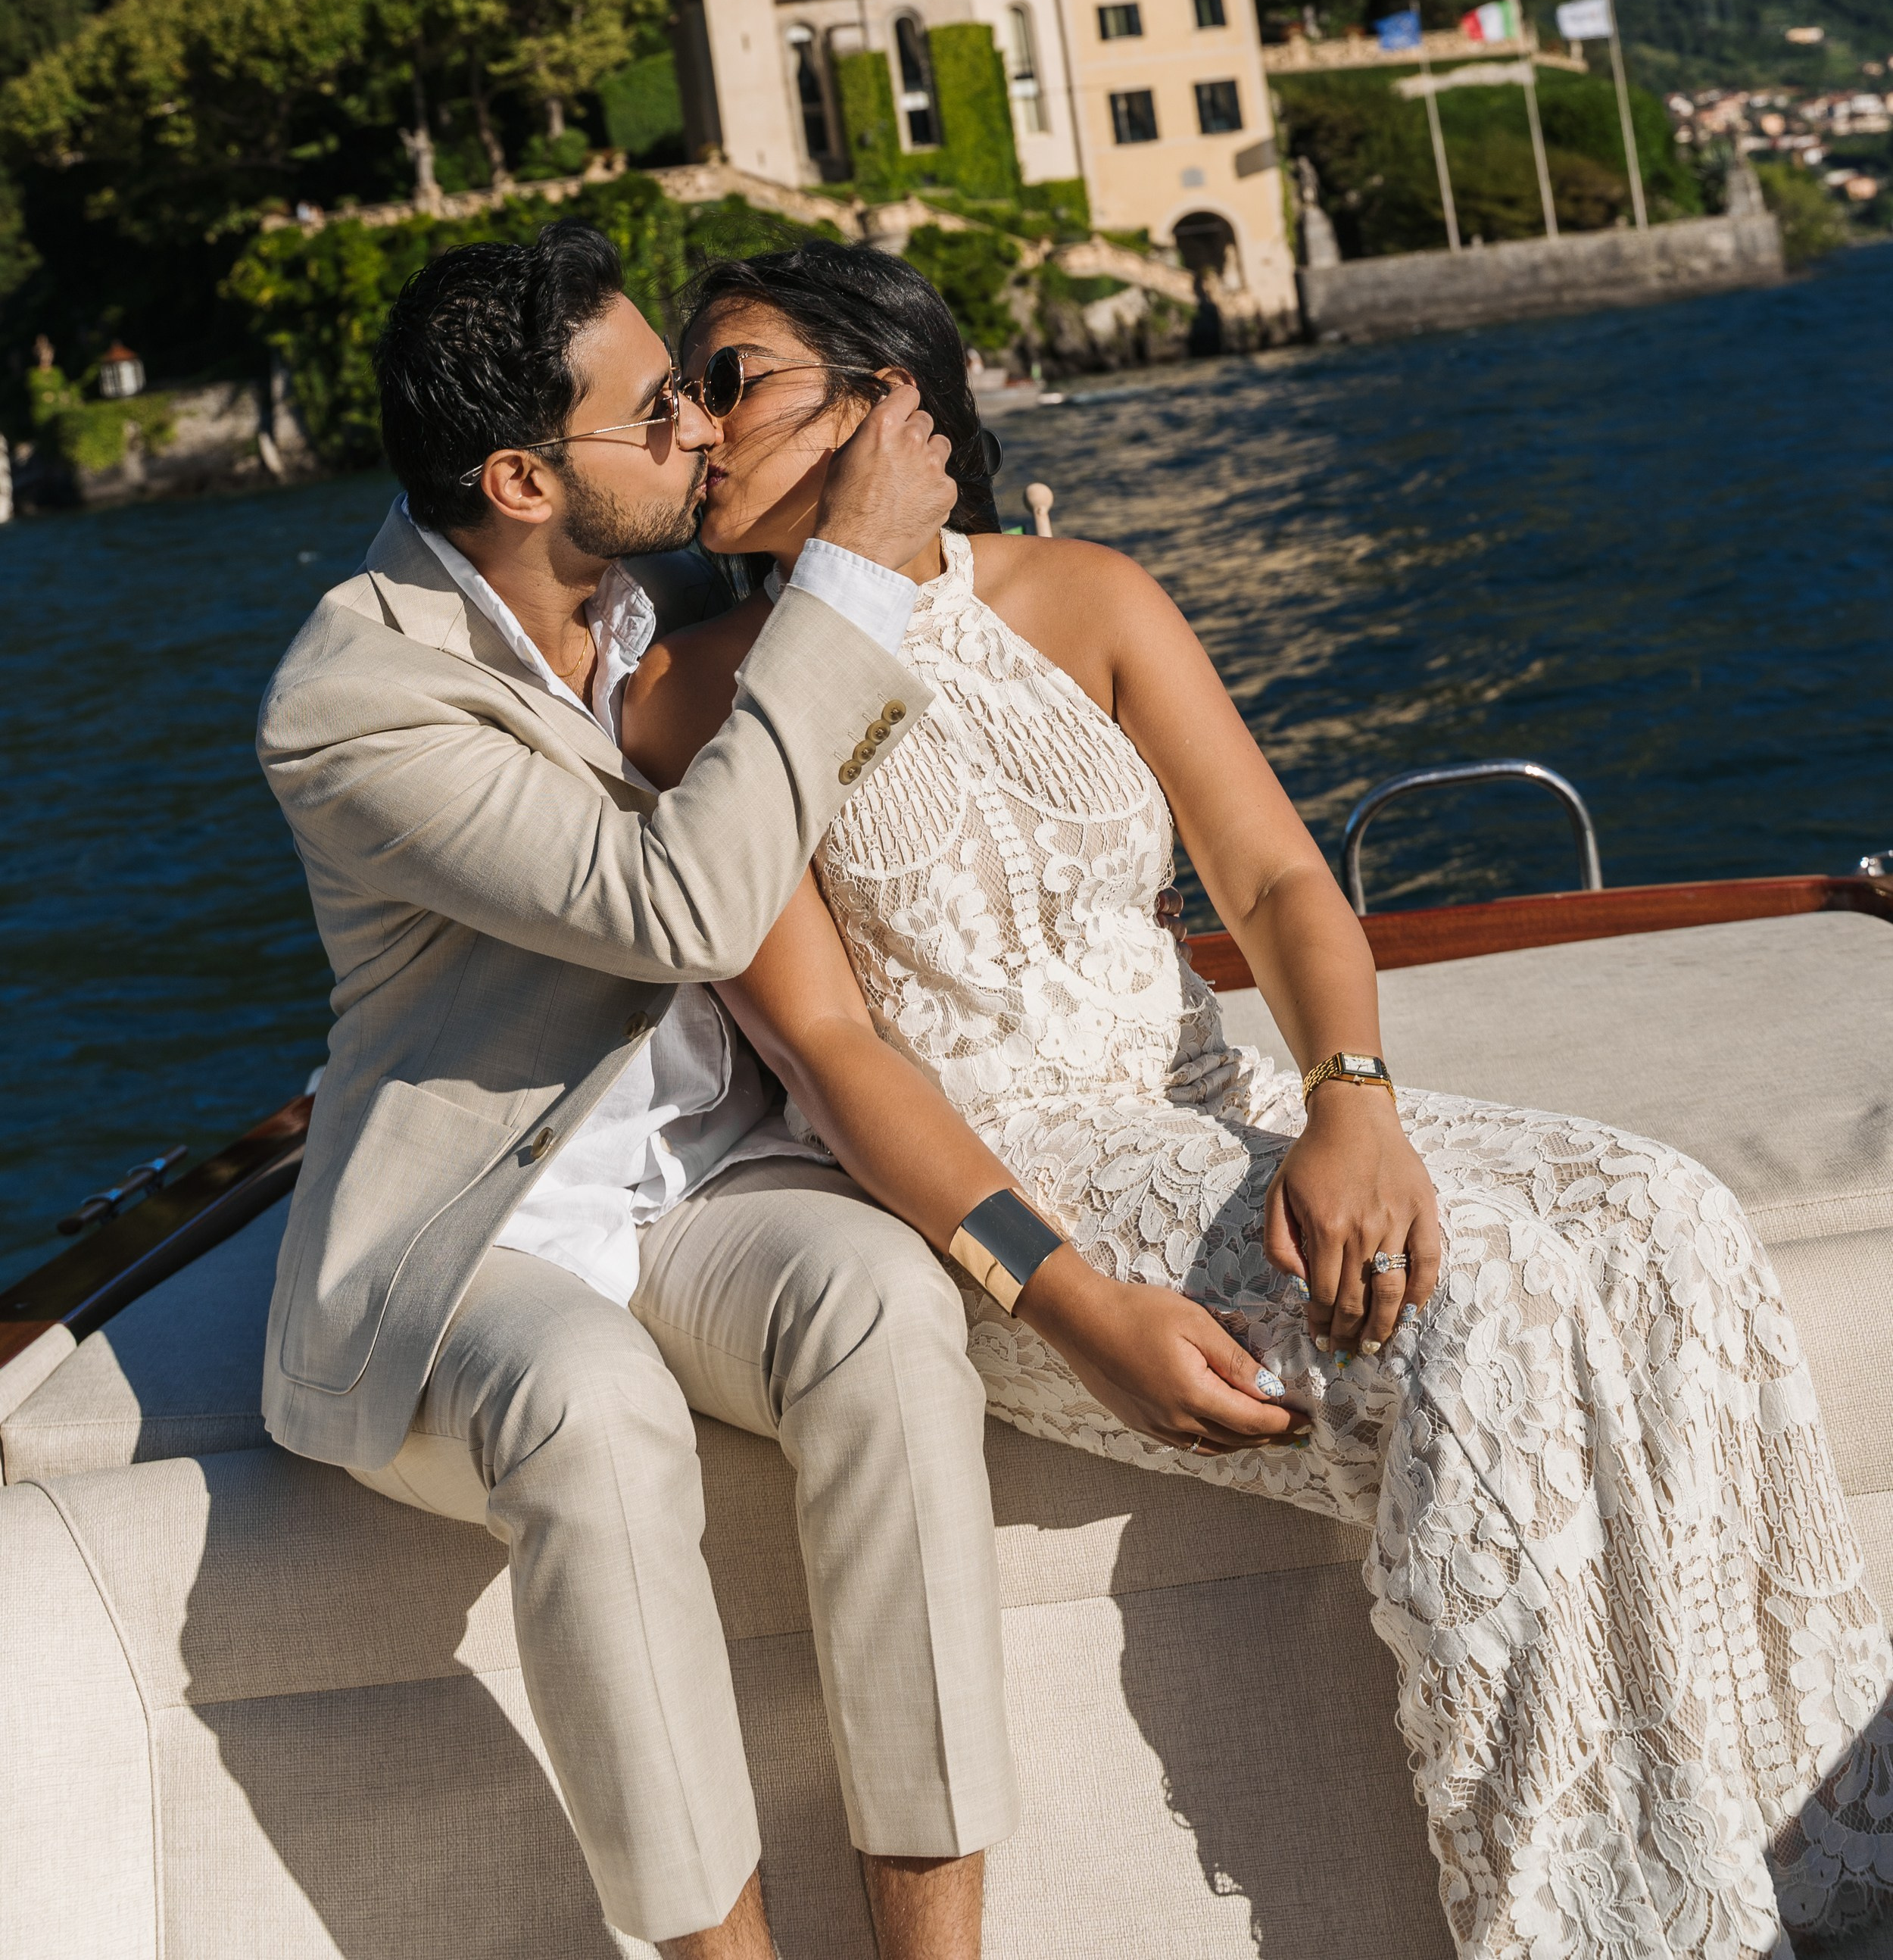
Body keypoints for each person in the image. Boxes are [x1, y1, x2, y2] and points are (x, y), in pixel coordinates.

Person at [624, 237, 1893, 1960]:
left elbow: (1279, 881)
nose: (689, 426)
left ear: (884, 400)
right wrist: (1069, 1306)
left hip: (1197, 1091)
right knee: (1490, 1302)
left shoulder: (1087, 596)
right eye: (679, 391)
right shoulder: (695, 700)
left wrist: (1349, 1099)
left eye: (732, 379)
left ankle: (1811, 1874)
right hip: (1001, 1186)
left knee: (1658, 1212)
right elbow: (834, 1056)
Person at [255, 220, 1018, 1960]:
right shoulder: (355, 701)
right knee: (590, 1413)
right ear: (525, 476)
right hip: (479, 1242)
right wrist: (849, 590)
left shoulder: (662, 590)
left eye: (694, 389)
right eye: (659, 409)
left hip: (709, 1191)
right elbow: (678, 904)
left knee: (890, 1311)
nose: (699, 429)